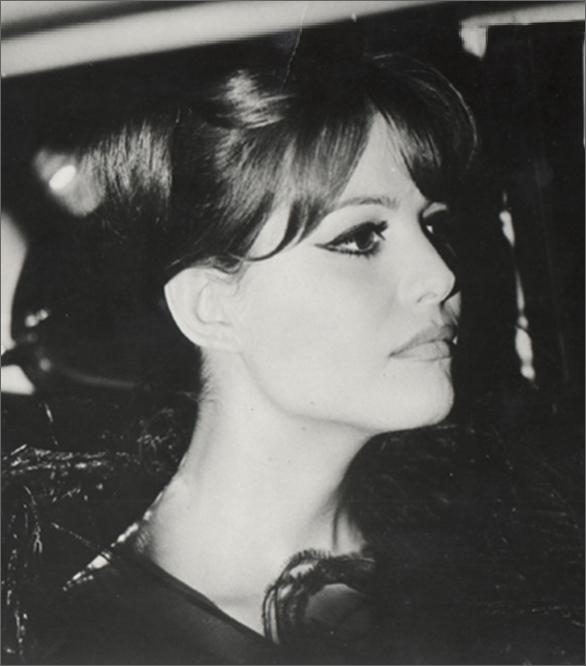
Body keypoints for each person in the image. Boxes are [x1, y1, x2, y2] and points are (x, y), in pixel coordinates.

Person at [3, 47, 579, 665]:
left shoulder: (505, 530)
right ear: (211, 307)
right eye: (359, 238)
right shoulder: (99, 647)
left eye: (433, 225)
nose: (440, 276)